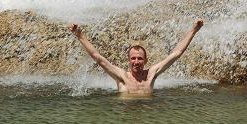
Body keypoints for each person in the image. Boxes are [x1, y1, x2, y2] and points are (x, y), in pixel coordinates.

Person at [70, 18, 204, 96]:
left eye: (140, 58)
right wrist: (80, 35)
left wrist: (194, 30)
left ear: (145, 60)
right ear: (128, 60)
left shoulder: (151, 74)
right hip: (125, 115)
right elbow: (97, 57)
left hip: (147, 113)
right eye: (133, 58)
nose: (136, 61)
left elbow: (176, 53)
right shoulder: (122, 76)